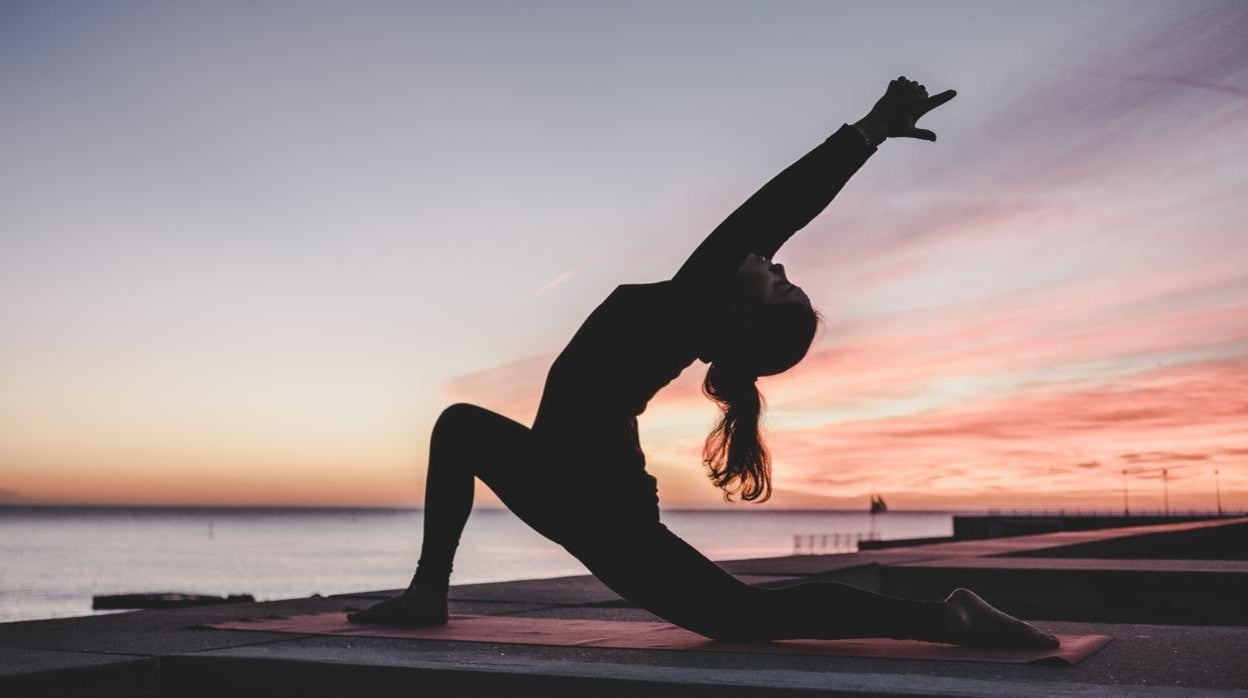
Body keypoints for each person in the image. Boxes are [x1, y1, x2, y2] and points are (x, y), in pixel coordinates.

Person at [350, 77, 1059, 649]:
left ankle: (944, 618)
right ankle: (428, 592)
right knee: (459, 427)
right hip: (563, 480)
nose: (774, 262)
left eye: (780, 282)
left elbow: (779, 207)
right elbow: (774, 221)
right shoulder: (692, 313)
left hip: (596, 506)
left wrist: (870, 130)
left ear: (744, 316)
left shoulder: (696, 302)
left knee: (745, 621)